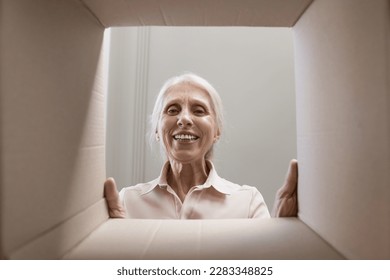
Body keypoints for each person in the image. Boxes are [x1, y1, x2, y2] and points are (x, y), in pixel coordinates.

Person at [104, 73, 298, 219]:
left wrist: (281, 234)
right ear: (157, 129)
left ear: (216, 131)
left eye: (199, 110)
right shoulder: (128, 201)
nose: (184, 119)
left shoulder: (248, 203)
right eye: (172, 110)